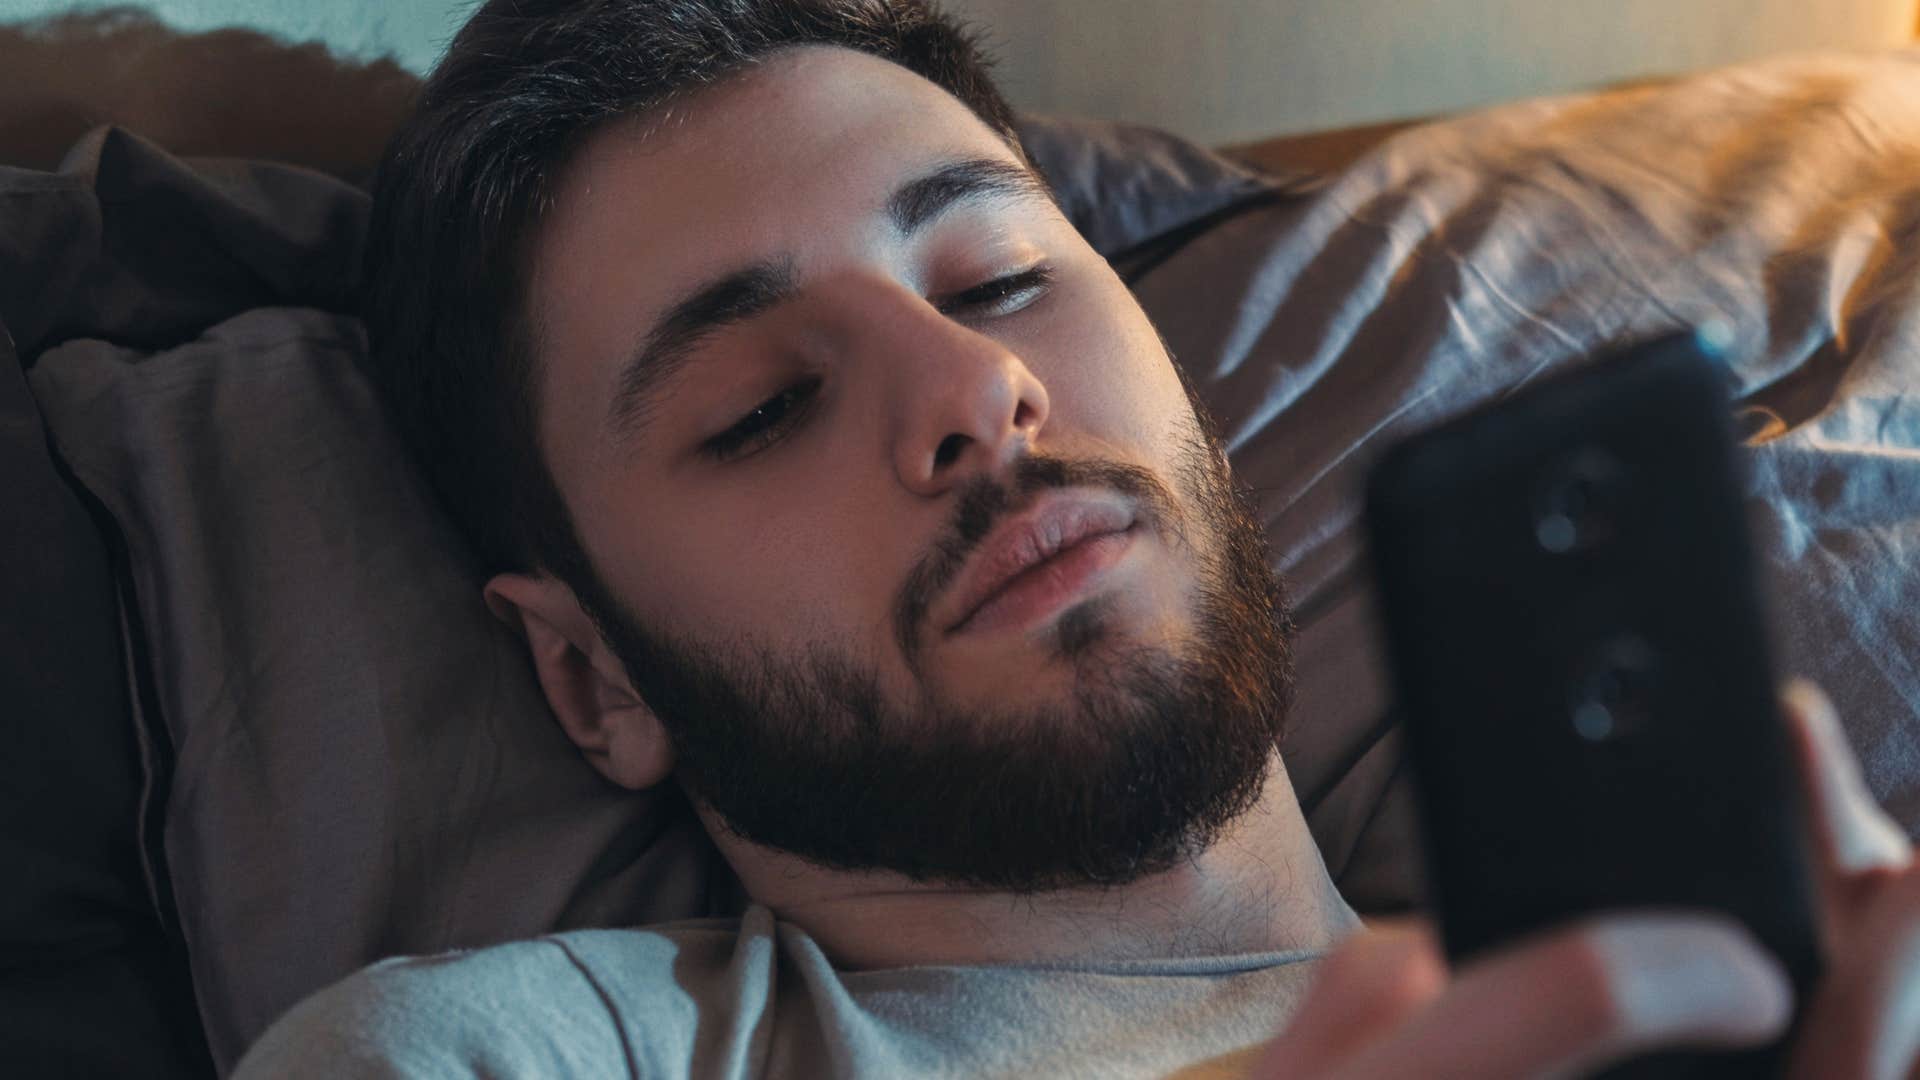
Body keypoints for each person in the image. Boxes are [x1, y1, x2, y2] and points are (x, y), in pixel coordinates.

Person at [236, 0, 1920, 1075]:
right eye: (759, 405)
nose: (977, 388)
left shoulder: (1720, 995)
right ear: (594, 676)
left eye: (996, 281)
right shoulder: (497, 1061)